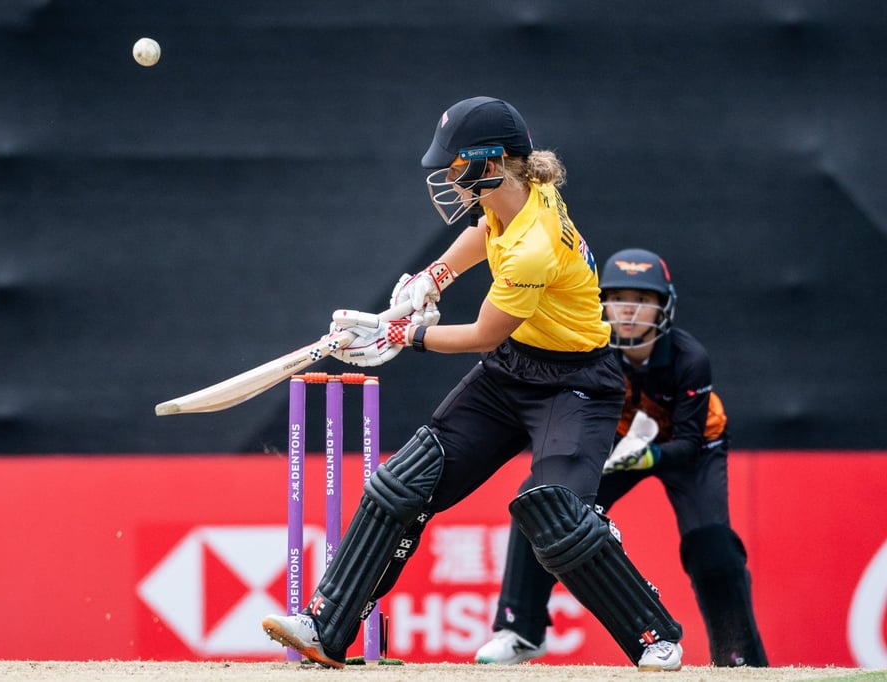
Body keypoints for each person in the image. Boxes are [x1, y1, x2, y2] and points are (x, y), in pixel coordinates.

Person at [261, 97, 684, 671]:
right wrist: (435, 275)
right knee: (404, 481)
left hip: (577, 385)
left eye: (457, 166)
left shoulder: (535, 245)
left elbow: (485, 332)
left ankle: (653, 635)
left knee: (556, 512)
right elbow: (486, 231)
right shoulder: (521, 191)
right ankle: (325, 628)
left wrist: (405, 336)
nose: (448, 177)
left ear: (491, 164)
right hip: (514, 369)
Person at [475, 248, 768, 668]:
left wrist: (645, 457)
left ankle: (742, 658)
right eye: (618, 299)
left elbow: (686, 446)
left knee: (713, 549)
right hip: (617, 442)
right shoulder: (590, 347)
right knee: (542, 502)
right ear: (601, 303)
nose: (628, 311)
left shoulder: (690, 359)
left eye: (642, 300)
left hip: (693, 449)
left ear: (663, 307)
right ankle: (520, 629)